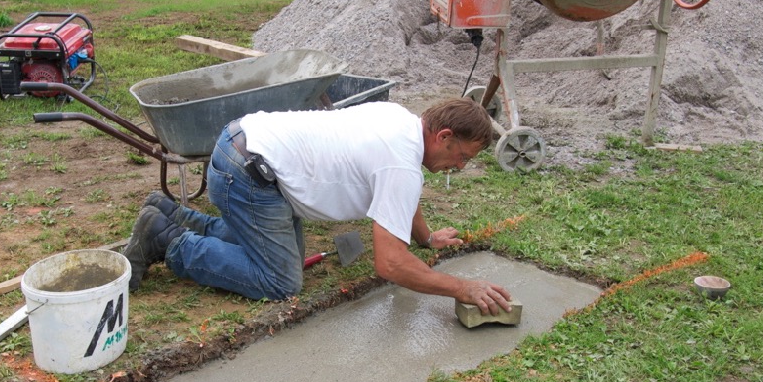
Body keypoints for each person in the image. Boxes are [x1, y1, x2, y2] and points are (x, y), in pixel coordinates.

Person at [124, 97, 513, 316]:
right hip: (247, 174)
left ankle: (171, 213)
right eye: (462, 157)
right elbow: (390, 263)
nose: (459, 167)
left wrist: (425, 238)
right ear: (443, 136)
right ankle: (167, 240)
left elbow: (401, 198)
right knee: (280, 281)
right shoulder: (401, 163)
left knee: (280, 256)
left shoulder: (401, 121)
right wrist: (461, 288)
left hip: (243, 148)